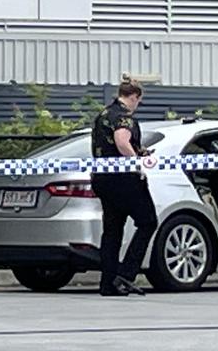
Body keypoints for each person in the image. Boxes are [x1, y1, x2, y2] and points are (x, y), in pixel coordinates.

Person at [90, 74, 154, 297]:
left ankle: (108, 283)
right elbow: (121, 142)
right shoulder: (125, 117)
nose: (138, 106)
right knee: (148, 221)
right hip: (124, 179)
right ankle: (126, 274)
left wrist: (139, 151)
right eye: (139, 100)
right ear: (134, 97)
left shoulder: (104, 114)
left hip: (103, 179)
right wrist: (136, 163)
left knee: (112, 231)